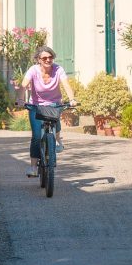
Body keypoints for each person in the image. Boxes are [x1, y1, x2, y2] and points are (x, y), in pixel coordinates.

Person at [21, 46, 77, 177]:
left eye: (50, 57)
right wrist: (19, 99)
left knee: (56, 118)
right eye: (44, 58)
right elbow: (24, 85)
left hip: (53, 104)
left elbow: (66, 85)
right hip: (36, 105)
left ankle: (57, 139)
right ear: (38, 59)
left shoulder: (58, 69)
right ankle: (33, 167)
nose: (48, 60)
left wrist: (72, 99)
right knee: (36, 136)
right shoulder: (33, 70)